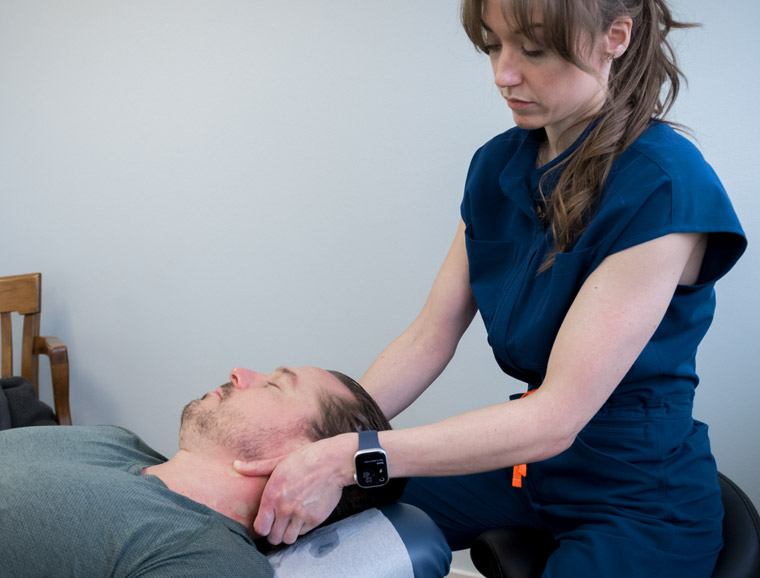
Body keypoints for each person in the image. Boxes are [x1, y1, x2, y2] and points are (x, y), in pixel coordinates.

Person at [233, 1, 747, 577]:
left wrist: (354, 457)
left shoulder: (665, 186)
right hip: (527, 468)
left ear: (615, 37)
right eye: (493, 45)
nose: (504, 74)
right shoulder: (499, 164)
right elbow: (429, 336)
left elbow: (557, 417)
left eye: (532, 50)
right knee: (287, 520)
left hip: (638, 491)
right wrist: (319, 438)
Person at [0, 366, 405, 578]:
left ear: (308, 458)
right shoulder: (116, 441)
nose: (239, 373)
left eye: (275, 386)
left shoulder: (206, 557)